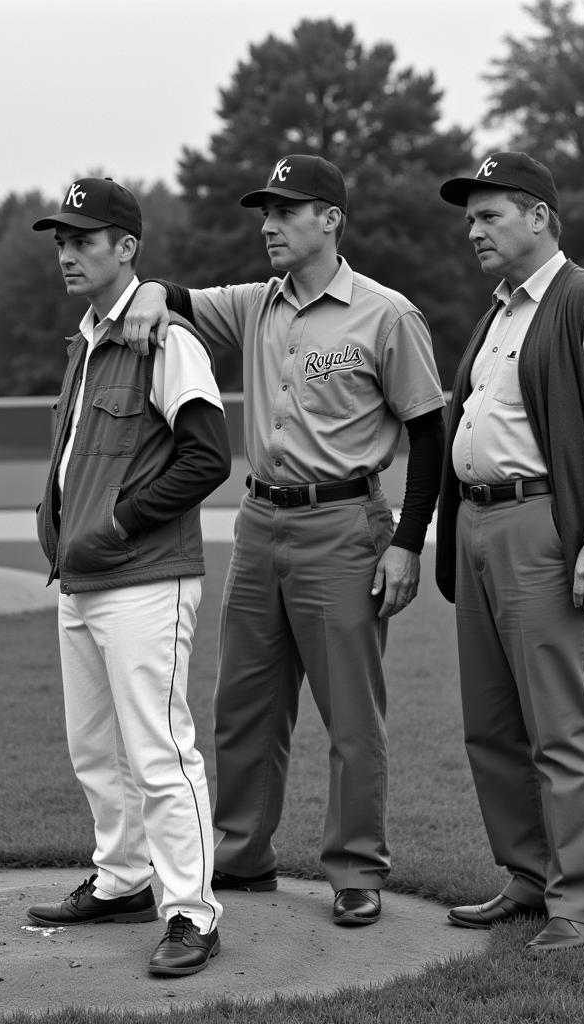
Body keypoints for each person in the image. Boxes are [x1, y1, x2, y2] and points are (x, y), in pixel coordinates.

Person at [121, 154, 446, 927]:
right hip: (259, 521)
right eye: (264, 212)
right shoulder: (256, 304)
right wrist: (144, 296)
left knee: (350, 715)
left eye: (285, 211)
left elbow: (430, 433)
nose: (268, 224)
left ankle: (357, 870)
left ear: (330, 219)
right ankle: (241, 853)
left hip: (344, 524)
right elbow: (176, 297)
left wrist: (407, 541)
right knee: (243, 706)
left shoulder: (385, 313)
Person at [435, 152, 584, 954]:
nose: (474, 230)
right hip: (476, 527)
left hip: (545, 529)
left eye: (489, 214)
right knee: (492, 726)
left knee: (567, 727)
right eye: (470, 218)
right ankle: (531, 878)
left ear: (538, 216)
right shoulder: (498, 312)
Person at [23, 177, 231, 977]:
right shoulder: (88, 339)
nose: (68, 253)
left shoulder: (164, 339)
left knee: (159, 752)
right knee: (94, 749)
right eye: (62, 240)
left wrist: (117, 522)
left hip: (144, 576)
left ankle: (192, 913)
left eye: (84, 239)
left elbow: (207, 455)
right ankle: (123, 880)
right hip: (83, 580)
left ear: (127, 249)